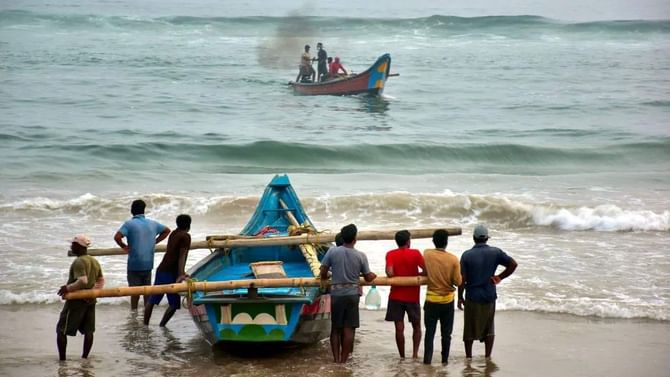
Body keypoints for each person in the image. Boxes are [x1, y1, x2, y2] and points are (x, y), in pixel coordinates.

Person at [458, 225, 517, 359]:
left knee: (469, 328)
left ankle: (469, 357)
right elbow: (513, 264)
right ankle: (487, 356)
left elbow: (462, 279)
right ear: (486, 238)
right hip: (489, 295)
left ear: (474, 238)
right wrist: (500, 277)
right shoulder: (495, 252)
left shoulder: (467, 255)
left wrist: (460, 297)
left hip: (472, 296)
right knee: (489, 327)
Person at [320, 224, 377, 363]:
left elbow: (323, 270)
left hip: (336, 294)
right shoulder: (360, 255)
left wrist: (325, 277)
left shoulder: (332, 252)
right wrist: (373, 275)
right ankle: (344, 361)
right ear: (355, 239)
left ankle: (336, 359)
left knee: (335, 329)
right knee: (349, 329)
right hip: (352, 295)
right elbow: (368, 277)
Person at [114, 199, 170, 310]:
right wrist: (155, 241)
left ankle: (134, 314)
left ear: (132, 211)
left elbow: (117, 237)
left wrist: (124, 247)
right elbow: (167, 230)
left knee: (134, 292)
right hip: (148, 263)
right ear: (144, 211)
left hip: (134, 263)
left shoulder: (129, 224)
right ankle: (146, 315)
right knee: (147, 292)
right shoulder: (153, 223)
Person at [56, 235, 104, 361]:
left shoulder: (79, 261)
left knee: (61, 329)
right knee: (88, 330)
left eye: (73, 244)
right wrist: (93, 292)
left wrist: (68, 288)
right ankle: (84, 358)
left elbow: (82, 281)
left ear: (78, 246)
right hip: (90, 299)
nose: (71, 246)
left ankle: (62, 360)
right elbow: (101, 280)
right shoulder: (94, 260)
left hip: (76, 301)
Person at [144, 214, 192, 327]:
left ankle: (145, 325)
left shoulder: (174, 233)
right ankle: (162, 325)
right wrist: (181, 274)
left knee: (152, 300)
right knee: (174, 304)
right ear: (189, 225)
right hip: (171, 272)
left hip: (162, 269)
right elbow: (182, 255)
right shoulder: (185, 236)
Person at [422, 229, 462, 365]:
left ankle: (427, 361)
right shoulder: (453, 259)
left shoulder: (427, 254)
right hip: (447, 301)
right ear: (446, 243)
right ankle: (444, 361)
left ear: (433, 241)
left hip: (431, 300)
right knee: (446, 335)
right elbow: (458, 282)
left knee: (429, 333)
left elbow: (425, 270)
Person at [385, 230, 426, 359]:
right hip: (412, 295)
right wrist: (416, 275)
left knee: (399, 328)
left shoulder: (390, 254)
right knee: (416, 325)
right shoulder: (415, 253)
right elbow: (426, 270)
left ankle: (402, 356)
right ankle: (415, 354)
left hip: (396, 295)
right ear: (408, 241)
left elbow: (390, 273)